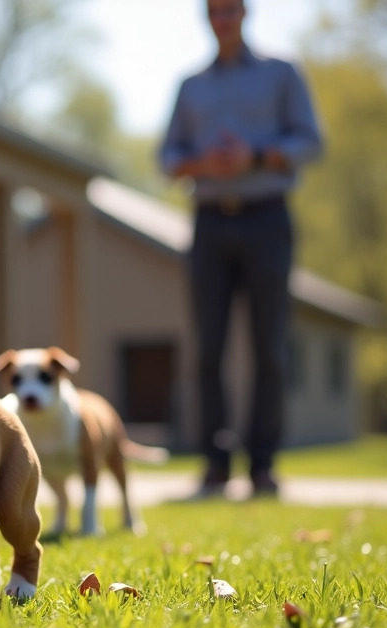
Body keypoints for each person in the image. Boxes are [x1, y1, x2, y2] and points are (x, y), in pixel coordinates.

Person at [159, 0, 323, 497]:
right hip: (209, 221)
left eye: (231, 10)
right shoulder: (191, 85)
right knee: (208, 348)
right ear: (207, 18)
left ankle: (263, 466)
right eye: (215, 11)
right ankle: (214, 463)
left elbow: (311, 142)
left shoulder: (281, 73)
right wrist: (203, 163)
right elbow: (168, 157)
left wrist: (256, 155)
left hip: (267, 216)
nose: (223, 19)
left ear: (245, 13)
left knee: (269, 346)